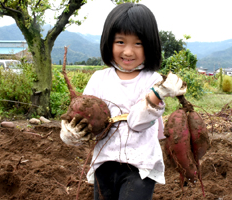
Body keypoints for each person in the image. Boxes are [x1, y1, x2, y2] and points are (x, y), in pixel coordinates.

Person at [60, 2, 186, 200]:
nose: (128, 51)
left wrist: (157, 93)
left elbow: (137, 122)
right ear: (108, 42)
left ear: (150, 45)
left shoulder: (152, 81)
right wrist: (71, 132)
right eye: (120, 42)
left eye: (138, 43)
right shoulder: (99, 79)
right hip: (104, 162)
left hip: (139, 167)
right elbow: (82, 115)